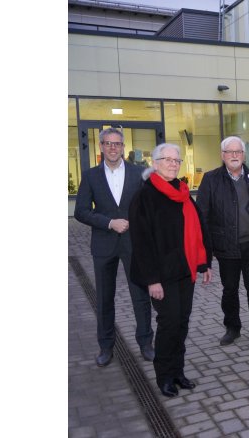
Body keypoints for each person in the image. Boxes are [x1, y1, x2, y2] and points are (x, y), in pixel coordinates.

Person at [128, 143, 212, 397]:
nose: (173, 164)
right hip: (161, 277)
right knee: (169, 324)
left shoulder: (183, 192)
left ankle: (178, 372)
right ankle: (164, 376)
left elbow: (198, 231)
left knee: (182, 324)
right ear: (154, 163)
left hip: (186, 271)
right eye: (167, 159)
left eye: (176, 160)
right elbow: (141, 243)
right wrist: (152, 281)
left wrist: (203, 263)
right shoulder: (145, 196)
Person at [74, 127, 154, 367]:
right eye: (108, 143)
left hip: (134, 244)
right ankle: (106, 347)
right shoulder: (90, 176)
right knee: (105, 299)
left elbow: (148, 207)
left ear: (123, 147)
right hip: (104, 244)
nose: (112, 148)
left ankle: (146, 343)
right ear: (100, 147)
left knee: (140, 296)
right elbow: (81, 211)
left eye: (117, 144)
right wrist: (109, 222)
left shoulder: (139, 173)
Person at [196, 136, 249, 348]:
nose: (235, 156)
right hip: (226, 247)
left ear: (244, 155)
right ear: (223, 156)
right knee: (230, 290)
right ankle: (232, 328)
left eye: (238, 152)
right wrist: (207, 252)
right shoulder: (211, 179)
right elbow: (203, 216)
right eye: (230, 152)